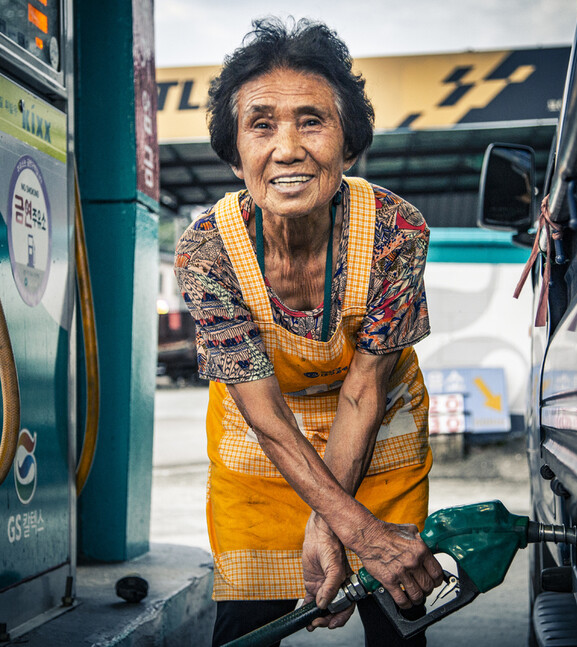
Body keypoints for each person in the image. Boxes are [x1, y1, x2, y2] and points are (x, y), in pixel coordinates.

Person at [174, 17, 442, 646]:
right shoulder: (206, 253)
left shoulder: (396, 233)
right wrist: (353, 526)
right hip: (262, 443)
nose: (288, 148)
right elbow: (263, 413)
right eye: (261, 125)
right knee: (245, 624)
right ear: (235, 155)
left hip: (378, 431)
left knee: (399, 607)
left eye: (312, 121)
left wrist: (343, 527)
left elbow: (363, 390)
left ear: (349, 147)